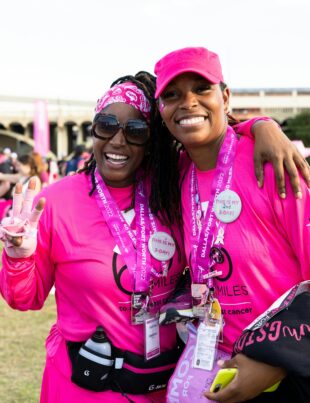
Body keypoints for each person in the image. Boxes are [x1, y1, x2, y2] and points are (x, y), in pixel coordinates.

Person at [0, 70, 307, 403]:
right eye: (106, 125)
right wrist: (19, 257)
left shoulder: (173, 184)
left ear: (152, 140)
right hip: (83, 386)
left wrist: (263, 126)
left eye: (135, 131)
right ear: (93, 130)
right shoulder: (57, 201)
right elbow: (24, 298)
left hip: (161, 387)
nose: (118, 141)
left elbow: (212, 139)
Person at [154, 47, 310, 402]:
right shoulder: (176, 175)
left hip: (282, 369)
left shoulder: (272, 167)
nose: (188, 102)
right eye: (173, 95)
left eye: (201, 89)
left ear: (224, 96)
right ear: (162, 110)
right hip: (214, 360)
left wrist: (277, 361)